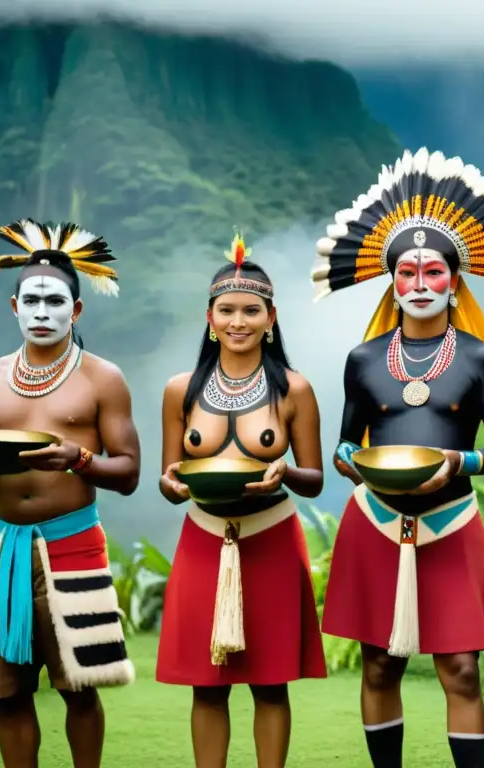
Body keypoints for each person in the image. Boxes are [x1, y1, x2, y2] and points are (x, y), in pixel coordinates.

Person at [313, 147, 484, 768]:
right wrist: (347, 459)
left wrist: (459, 465)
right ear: (392, 282)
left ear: (456, 280)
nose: (420, 285)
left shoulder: (477, 358)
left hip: (450, 521)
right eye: (408, 274)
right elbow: (347, 438)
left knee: (461, 668)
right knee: (378, 663)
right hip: (374, 519)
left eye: (433, 273)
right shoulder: (365, 359)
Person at [0, 219, 140, 768]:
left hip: (72, 546)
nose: (42, 312)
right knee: (9, 688)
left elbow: (128, 473)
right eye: (32, 300)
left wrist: (75, 459)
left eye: (56, 301)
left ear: (75, 311)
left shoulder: (103, 379)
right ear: (14, 306)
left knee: (79, 685)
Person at [156, 233, 327, 768]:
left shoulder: (294, 389)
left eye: (251, 310)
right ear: (210, 317)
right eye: (226, 310)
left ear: (270, 318)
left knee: (270, 684)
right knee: (207, 685)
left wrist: (285, 472)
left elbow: (315, 478)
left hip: (271, 536)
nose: (238, 321)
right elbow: (167, 476)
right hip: (204, 537)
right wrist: (175, 484)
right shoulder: (180, 389)